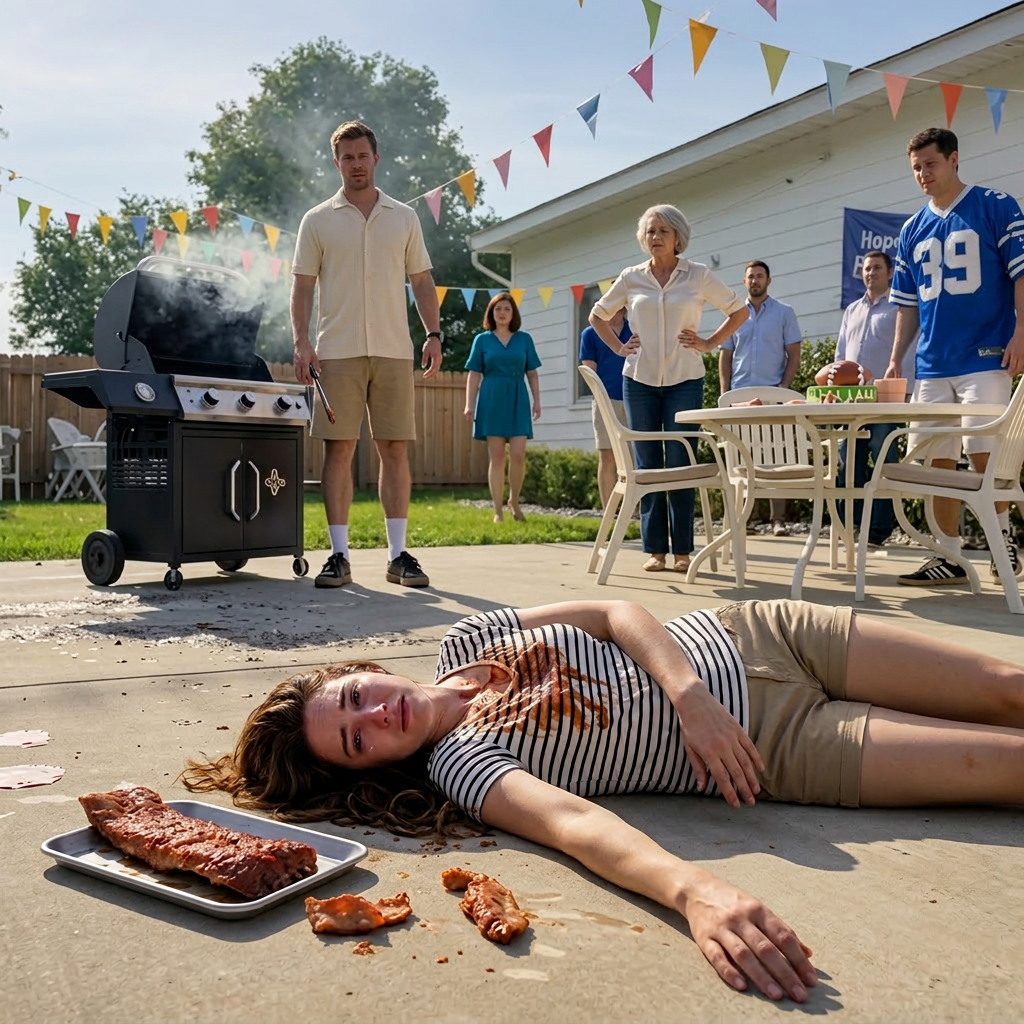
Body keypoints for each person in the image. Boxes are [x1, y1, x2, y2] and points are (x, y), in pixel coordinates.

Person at [183, 596, 1024, 1004]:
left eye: (355, 697)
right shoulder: (462, 767)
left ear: (359, 671)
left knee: (1008, 685)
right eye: (356, 740)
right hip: (785, 748)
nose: (374, 715)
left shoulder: (469, 636)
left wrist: (689, 696)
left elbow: (619, 613)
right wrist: (695, 891)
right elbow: (578, 825)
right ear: (369, 769)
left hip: (761, 636)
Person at [291, 120, 442, 590]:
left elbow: (421, 281)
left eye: (362, 156)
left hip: (394, 351)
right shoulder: (317, 220)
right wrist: (301, 341)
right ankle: (339, 556)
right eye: (347, 157)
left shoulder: (404, 217)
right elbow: (302, 286)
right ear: (336, 163)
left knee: (394, 449)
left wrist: (434, 334)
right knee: (338, 450)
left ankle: (398, 557)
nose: (355, 164)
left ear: (376, 159)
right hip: (336, 352)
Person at [886, 126, 1024, 586]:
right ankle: (948, 555)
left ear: (954, 159)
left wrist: (1022, 331)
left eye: (930, 163)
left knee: (986, 454)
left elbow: (1020, 274)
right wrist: (896, 359)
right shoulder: (911, 228)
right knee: (935, 461)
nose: (923, 174)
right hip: (932, 364)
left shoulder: (995, 205)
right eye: (916, 168)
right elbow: (908, 305)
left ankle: (1002, 540)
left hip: (985, 355)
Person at [588, 204, 748, 574]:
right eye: (650, 231)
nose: (655, 237)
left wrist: (709, 343)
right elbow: (597, 315)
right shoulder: (631, 277)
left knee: (680, 463)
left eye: (663, 231)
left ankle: (683, 552)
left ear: (678, 237)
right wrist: (618, 347)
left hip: (685, 380)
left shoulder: (698, 274)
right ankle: (656, 551)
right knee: (647, 465)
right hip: (638, 381)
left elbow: (738, 311)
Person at [833, 250, 915, 548]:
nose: (871, 273)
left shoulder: (900, 308)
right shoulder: (852, 310)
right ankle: (848, 526)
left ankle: (878, 531)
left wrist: (906, 391)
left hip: (886, 398)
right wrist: (834, 387)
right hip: (852, 401)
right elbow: (840, 356)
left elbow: (909, 350)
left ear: (890, 272)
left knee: (883, 458)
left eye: (877, 268)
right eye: (867, 268)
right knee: (847, 460)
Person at [718, 261, 803, 536]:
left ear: (768, 280)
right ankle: (745, 519)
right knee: (742, 458)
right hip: (740, 398)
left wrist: (784, 388)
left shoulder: (784, 313)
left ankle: (778, 520)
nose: (755, 281)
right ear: (744, 282)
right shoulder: (734, 315)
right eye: (750, 277)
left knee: (776, 456)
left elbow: (794, 353)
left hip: (772, 396)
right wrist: (725, 393)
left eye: (759, 276)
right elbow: (726, 355)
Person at [463, 293, 542, 523]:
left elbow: (532, 374)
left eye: (507, 309)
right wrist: (469, 405)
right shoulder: (482, 340)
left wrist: (537, 400)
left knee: (518, 455)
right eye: (498, 309)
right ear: (491, 313)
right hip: (491, 399)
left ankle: (514, 501)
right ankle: (498, 511)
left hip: (518, 398)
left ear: (513, 313)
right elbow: (474, 374)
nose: (502, 313)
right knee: (496, 457)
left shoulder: (524, 339)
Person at [579, 307, 631, 508]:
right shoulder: (590, 333)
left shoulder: (635, 329)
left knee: (633, 457)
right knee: (607, 455)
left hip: (635, 401)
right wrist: (601, 399)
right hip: (605, 402)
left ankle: (633, 511)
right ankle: (609, 512)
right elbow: (589, 372)